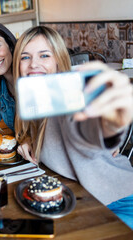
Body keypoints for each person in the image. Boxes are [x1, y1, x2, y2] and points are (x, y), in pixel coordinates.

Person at [12, 26, 133, 228]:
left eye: (44, 55)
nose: (33, 64)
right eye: (25, 57)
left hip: (119, 200)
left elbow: (89, 133)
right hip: (84, 202)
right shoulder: (36, 103)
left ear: (59, 60)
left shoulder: (70, 100)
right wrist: (25, 139)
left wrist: (110, 127)